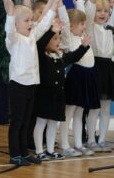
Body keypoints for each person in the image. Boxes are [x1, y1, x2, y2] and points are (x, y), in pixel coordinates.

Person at [0, 0, 59, 166]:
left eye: (31, 20)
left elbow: (45, 22)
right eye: (26, 21)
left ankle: (24, 153)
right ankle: (14, 154)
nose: (31, 23)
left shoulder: (32, 36)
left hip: (31, 85)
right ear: (16, 24)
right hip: (18, 86)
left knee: (26, 121)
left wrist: (54, 1)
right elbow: (9, 29)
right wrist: (10, 10)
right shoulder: (13, 40)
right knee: (17, 121)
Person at [32, 17, 89, 160]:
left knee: (53, 123)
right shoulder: (41, 55)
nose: (58, 41)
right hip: (44, 95)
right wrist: (51, 31)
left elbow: (73, 57)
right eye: (55, 39)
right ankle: (39, 151)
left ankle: (50, 150)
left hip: (58, 95)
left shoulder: (60, 56)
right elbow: (40, 44)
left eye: (59, 38)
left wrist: (84, 47)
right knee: (41, 123)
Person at [83, 0, 114, 152]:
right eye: (99, 11)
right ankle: (91, 139)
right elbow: (89, 7)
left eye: (106, 11)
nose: (102, 14)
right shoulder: (90, 26)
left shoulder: (110, 27)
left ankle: (102, 139)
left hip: (107, 67)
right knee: (93, 107)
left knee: (106, 107)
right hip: (94, 66)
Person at [58, 0, 99, 156]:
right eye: (81, 24)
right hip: (76, 76)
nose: (84, 26)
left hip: (88, 76)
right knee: (69, 111)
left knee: (80, 111)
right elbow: (65, 20)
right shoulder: (68, 38)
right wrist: (59, 1)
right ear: (71, 26)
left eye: (84, 24)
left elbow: (83, 14)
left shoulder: (83, 35)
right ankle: (64, 144)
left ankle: (78, 144)